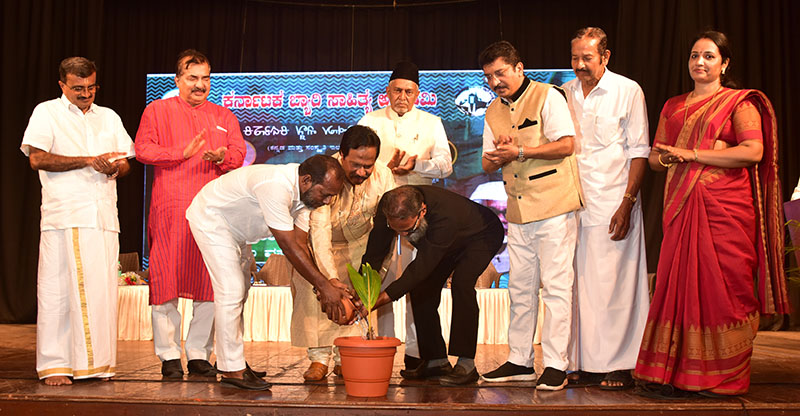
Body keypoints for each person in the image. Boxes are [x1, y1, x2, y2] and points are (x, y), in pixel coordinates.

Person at [635, 30, 788, 397]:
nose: (699, 62)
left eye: (708, 56)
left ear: (724, 63)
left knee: (725, 289)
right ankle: (673, 374)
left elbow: (752, 151)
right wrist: (670, 157)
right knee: (676, 285)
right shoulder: (673, 106)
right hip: (682, 207)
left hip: (726, 211)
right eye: (694, 55)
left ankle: (725, 376)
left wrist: (694, 154)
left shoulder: (738, 103)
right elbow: (654, 159)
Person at [186, 155, 352, 390]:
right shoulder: (276, 185)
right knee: (231, 291)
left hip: (236, 231)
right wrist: (324, 286)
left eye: (332, 196)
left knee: (240, 291)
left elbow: (301, 244)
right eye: (325, 194)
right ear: (306, 180)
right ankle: (231, 368)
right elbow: (288, 246)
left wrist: (324, 285)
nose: (327, 201)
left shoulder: (306, 199)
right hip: (211, 218)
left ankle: (233, 360)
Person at [21, 57, 134, 386]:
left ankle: (98, 364)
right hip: (66, 215)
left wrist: (114, 167)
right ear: (62, 85)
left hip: (103, 217)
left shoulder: (108, 116)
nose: (86, 94)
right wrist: (88, 161)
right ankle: (55, 364)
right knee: (59, 293)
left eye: (91, 87)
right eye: (78, 88)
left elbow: (126, 162)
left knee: (101, 293)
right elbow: (37, 158)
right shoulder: (47, 112)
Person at [135, 49, 246, 379]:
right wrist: (178, 153)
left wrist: (223, 156)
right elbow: (142, 149)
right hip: (170, 210)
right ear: (178, 80)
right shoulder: (157, 110)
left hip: (212, 213)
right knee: (165, 281)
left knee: (210, 282)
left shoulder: (224, 116)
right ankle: (169, 355)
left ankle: (199, 354)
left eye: (205, 78)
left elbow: (239, 153)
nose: (200, 85)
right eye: (193, 78)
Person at [478, 41, 583, 391]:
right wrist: (497, 156)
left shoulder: (547, 96)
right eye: (488, 76)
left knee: (556, 288)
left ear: (519, 68)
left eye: (500, 73)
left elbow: (567, 145)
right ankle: (519, 361)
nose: (495, 82)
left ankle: (556, 365)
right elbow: (485, 161)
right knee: (520, 289)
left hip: (554, 206)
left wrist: (520, 151)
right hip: (519, 209)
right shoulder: (492, 111)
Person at [562, 27, 650, 390]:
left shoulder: (628, 91)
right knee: (576, 285)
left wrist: (627, 202)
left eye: (587, 57)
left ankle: (619, 364)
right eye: (575, 58)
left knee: (616, 285)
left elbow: (639, 151)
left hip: (614, 200)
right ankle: (580, 362)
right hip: (571, 203)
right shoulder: (564, 92)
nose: (580, 65)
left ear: (605, 56)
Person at [358, 61, 453, 372]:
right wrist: (381, 170)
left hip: (418, 213)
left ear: (417, 94)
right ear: (387, 91)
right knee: (381, 278)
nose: (402, 97)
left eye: (409, 92)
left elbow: (446, 165)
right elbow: (356, 161)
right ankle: (381, 346)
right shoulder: (370, 121)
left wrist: (417, 166)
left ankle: (416, 353)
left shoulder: (431, 122)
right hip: (380, 209)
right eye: (397, 90)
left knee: (417, 279)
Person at [360, 185, 504, 386]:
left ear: (422, 211)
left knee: (462, 283)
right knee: (421, 289)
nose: (404, 235)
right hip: (448, 239)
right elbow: (376, 249)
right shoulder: (388, 205)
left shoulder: (445, 217)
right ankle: (436, 361)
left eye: (408, 230)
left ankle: (467, 364)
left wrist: (383, 298)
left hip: (481, 235)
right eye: (397, 231)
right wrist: (363, 290)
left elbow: (421, 266)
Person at [292, 125, 396, 381]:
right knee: (317, 299)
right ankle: (318, 359)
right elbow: (320, 232)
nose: (362, 172)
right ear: (342, 155)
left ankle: (345, 357)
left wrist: (375, 271)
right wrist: (329, 281)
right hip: (320, 246)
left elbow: (386, 225)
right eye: (355, 164)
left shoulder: (383, 176)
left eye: (368, 165)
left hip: (362, 246)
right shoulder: (327, 174)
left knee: (356, 299)